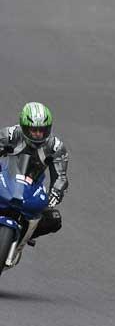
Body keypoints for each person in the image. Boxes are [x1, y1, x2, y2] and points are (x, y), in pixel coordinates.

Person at [0, 102, 69, 248]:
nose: (38, 134)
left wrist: (55, 194)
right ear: (24, 127)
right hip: (6, 180)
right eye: (34, 130)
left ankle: (24, 236)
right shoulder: (11, 135)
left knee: (54, 219)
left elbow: (61, 177)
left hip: (32, 188)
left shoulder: (55, 147)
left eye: (42, 130)